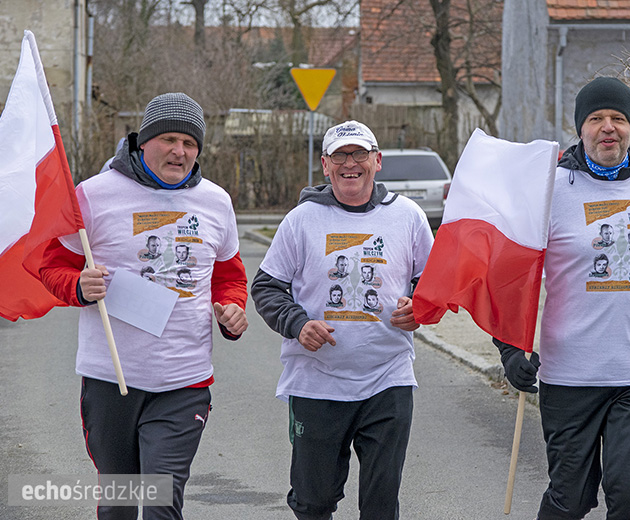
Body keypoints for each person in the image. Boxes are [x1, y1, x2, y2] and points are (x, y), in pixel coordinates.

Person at [494, 77, 630, 520]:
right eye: (596, 119)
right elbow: (510, 278)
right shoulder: (548, 189)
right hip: (569, 377)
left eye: (618, 118)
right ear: (581, 128)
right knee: (570, 500)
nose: (608, 128)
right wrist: (508, 350)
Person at [39, 92, 249, 520]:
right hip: (112, 379)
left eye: (190, 143)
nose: (179, 151)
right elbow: (51, 264)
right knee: (119, 501)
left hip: (184, 379)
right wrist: (78, 285)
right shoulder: (94, 195)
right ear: (142, 141)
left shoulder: (215, 202)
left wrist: (230, 308)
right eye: (169, 139)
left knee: (160, 501)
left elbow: (229, 274)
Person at [250, 120, 434, 520]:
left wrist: (419, 304)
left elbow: (431, 282)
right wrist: (298, 324)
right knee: (313, 502)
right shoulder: (301, 220)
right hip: (317, 381)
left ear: (377, 161)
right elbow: (265, 287)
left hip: (388, 377)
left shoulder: (408, 216)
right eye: (339, 156)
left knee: (381, 503)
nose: (350, 163)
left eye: (359, 154)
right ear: (325, 165)